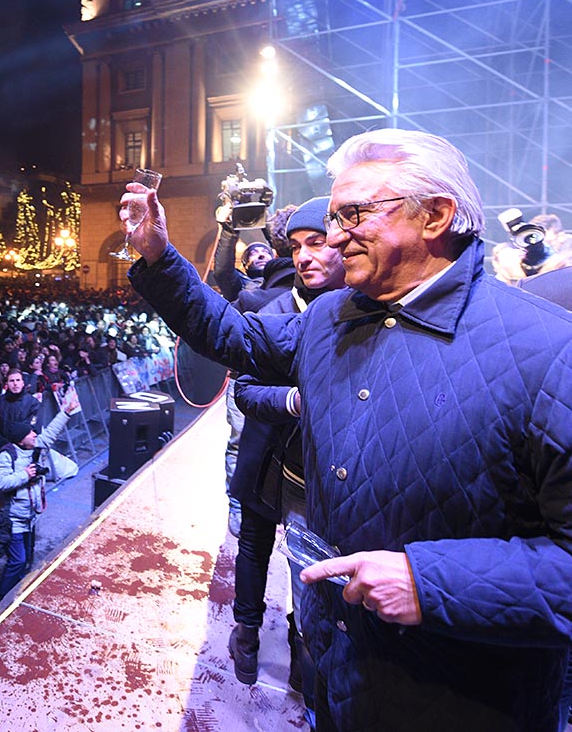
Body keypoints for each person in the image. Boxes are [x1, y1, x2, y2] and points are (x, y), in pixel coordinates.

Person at [123, 128, 572, 731]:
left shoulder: (549, 351)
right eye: (333, 217)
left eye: (353, 215)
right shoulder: (334, 314)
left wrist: (433, 583)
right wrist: (158, 257)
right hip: (341, 674)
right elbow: (233, 337)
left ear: (435, 215)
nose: (332, 239)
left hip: (469, 701)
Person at [226, 196, 343, 703]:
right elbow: (244, 390)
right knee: (253, 550)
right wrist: (294, 400)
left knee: (308, 567)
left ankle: (302, 651)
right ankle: (246, 636)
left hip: (316, 472)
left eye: (315, 243)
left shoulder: (357, 310)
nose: (304, 256)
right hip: (264, 458)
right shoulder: (267, 308)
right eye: (295, 247)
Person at [0, 406, 74, 598]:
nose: (35, 434)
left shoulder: (34, 447)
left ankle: (17, 590)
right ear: (21, 439)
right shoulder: (7, 455)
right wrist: (25, 475)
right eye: (30, 433)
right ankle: (1, 597)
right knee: (18, 560)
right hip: (14, 519)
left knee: (27, 557)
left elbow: (51, 433)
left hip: (30, 516)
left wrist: (66, 412)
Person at [0, 368, 40, 454]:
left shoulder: (33, 402)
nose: (15, 384)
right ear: (7, 384)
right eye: (12, 381)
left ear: (23, 383)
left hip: (27, 450)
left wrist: (23, 437)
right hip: (4, 449)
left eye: (18, 380)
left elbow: (35, 422)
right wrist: (2, 442)